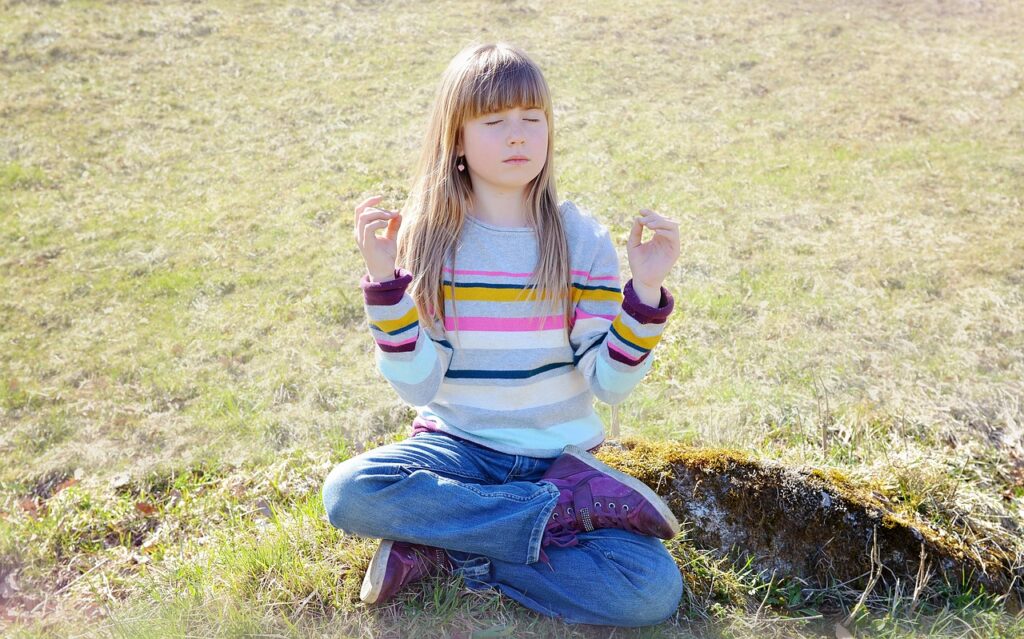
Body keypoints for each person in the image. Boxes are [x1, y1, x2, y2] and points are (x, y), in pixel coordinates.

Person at [322, 41, 684, 628]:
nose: (518, 136)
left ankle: (450, 543)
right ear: (456, 139)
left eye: (531, 120)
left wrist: (643, 292)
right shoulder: (431, 239)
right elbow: (417, 387)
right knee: (349, 492)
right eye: (494, 122)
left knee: (647, 592)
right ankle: (547, 518)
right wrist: (387, 283)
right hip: (458, 452)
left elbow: (610, 386)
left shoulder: (579, 239)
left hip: (561, 462)